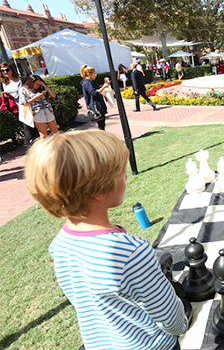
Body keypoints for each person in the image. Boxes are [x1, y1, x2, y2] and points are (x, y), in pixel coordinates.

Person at [24, 130, 188, 350]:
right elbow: (169, 316)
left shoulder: (60, 245)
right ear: (100, 191)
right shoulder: (131, 252)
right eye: (121, 172)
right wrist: (183, 325)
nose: (126, 176)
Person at [1, 62, 39, 143]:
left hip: (26, 105)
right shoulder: (3, 84)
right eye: (2, 71)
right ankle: (35, 139)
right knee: (27, 123)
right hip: (15, 108)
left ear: (12, 70)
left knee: (28, 123)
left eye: (7, 70)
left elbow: (29, 91)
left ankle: (28, 142)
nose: (5, 72)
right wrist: (6, 96)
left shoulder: (21, 80)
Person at [18, 74, 58, 139]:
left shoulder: (41, 88)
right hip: (37, 113)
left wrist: (45, 86)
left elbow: (53, 95)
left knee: (55, 131)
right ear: (31, 82)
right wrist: (36, 97)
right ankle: (45, 148)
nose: (38, 86)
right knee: (43, 135)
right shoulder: (23, 89)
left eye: (39, 84)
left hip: (48, 110)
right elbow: (24, 103)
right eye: (36, 84)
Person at [80, 65, 109, 130]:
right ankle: (102, 139)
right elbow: (94, 93)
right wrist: (104, 87)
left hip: (98, 106)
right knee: (101, 126)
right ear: (88, 74)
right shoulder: (87, 83)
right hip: (96, 107)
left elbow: (98, 88)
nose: (95, 75)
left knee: (102, 125)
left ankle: (102, 139)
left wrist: (104, 84)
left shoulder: (90, 82)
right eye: (94, 73)